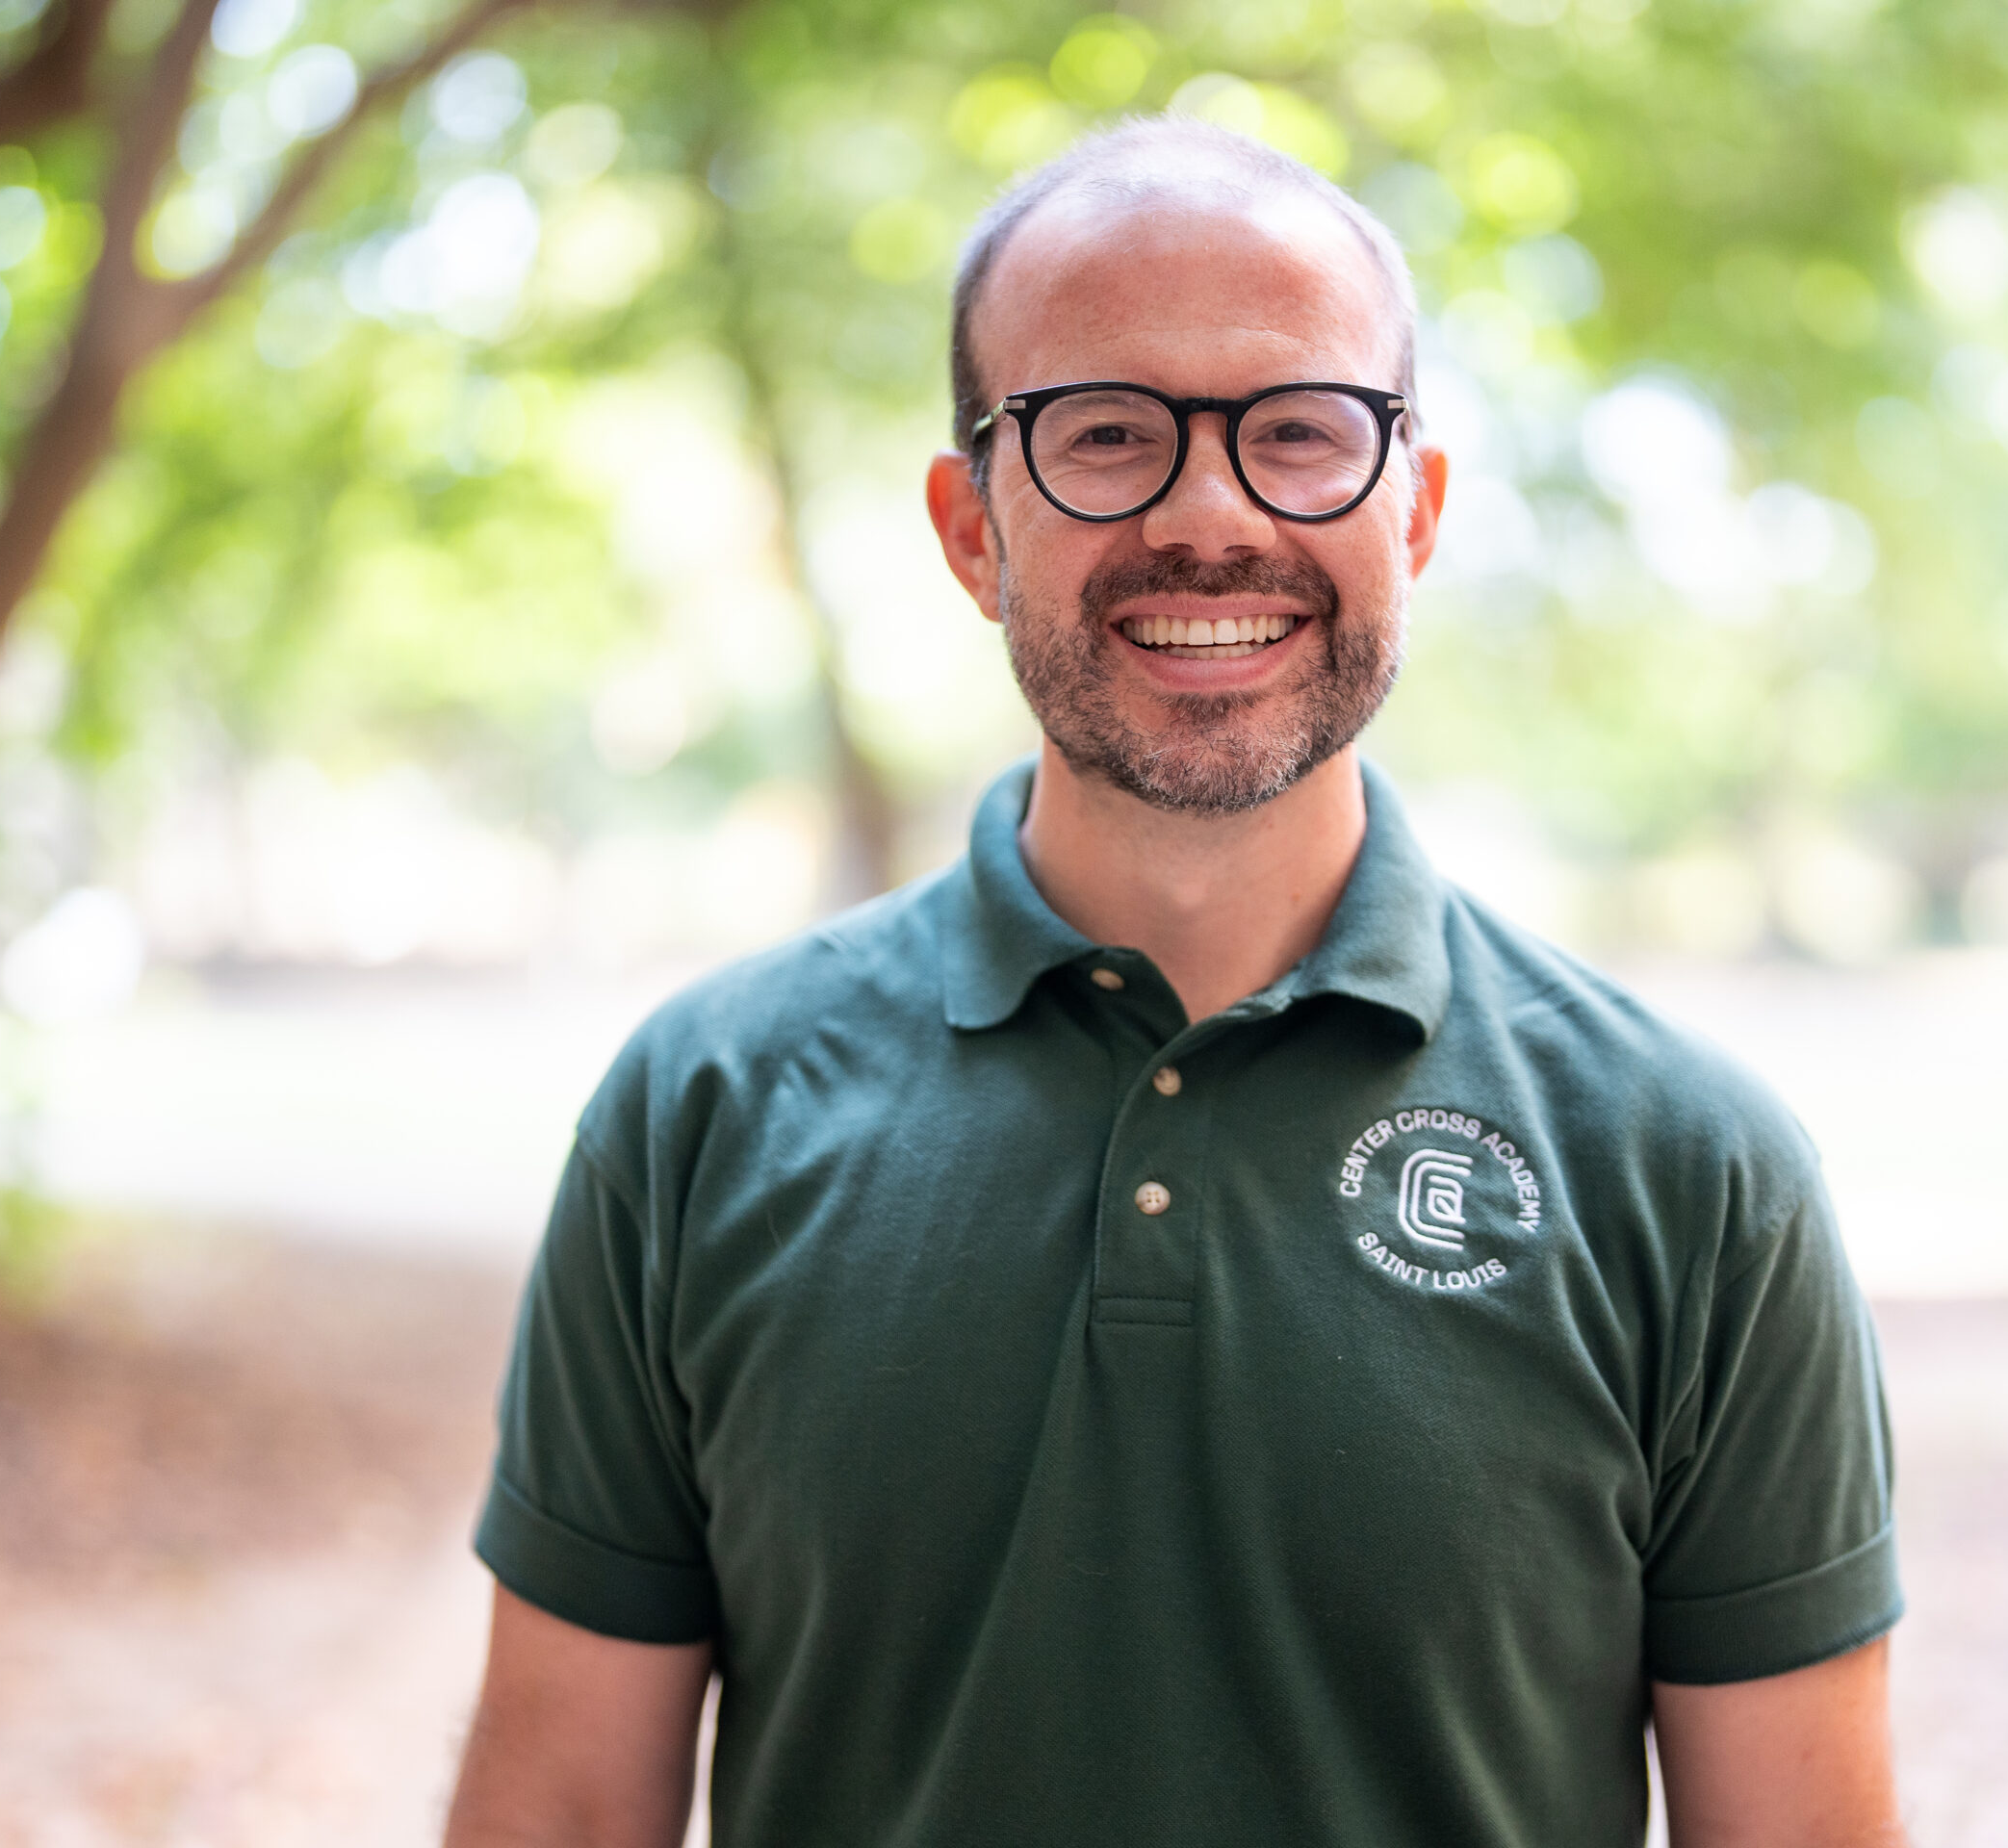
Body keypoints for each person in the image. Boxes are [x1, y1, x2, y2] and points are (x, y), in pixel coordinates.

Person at [443, 117, 1905, 1848]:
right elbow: (554, 1810)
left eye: (1300, 431)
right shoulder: (702, 1113)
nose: (1210, 516)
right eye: (1106, 434)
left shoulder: (1687, 1164)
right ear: (971, 525)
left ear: (1415, 508)